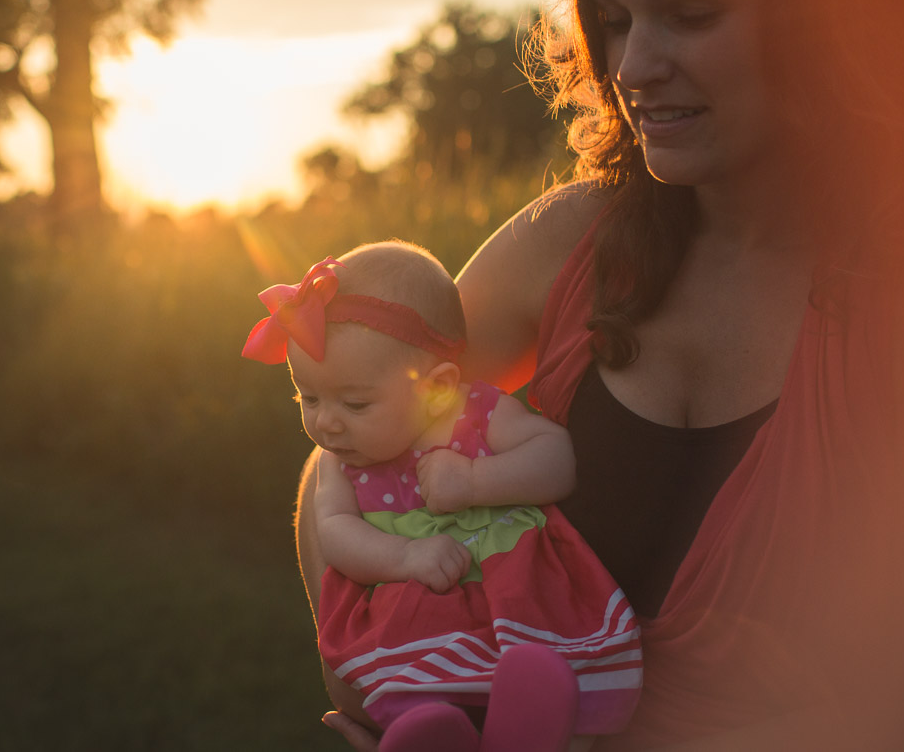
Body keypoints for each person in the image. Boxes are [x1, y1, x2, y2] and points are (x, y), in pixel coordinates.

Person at [298, 0, 904, 750]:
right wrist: (382, 678)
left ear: (827, 16)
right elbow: (350, 432)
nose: (634, 63)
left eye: (689, 13)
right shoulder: (573, 244)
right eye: (613, 18)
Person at [246, 242, 642, 751]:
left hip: (516, 592)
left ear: (436, 387)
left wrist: (477, 481)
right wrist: (405, 556)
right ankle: (433, 731)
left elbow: (558, 460)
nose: (325, 421)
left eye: (355, 402)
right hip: (418, 611)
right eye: (309, 396)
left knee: (550, 668)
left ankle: (534, 729)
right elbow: (337, 532)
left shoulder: (475, 415)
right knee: (416, 683)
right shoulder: (339, 463)